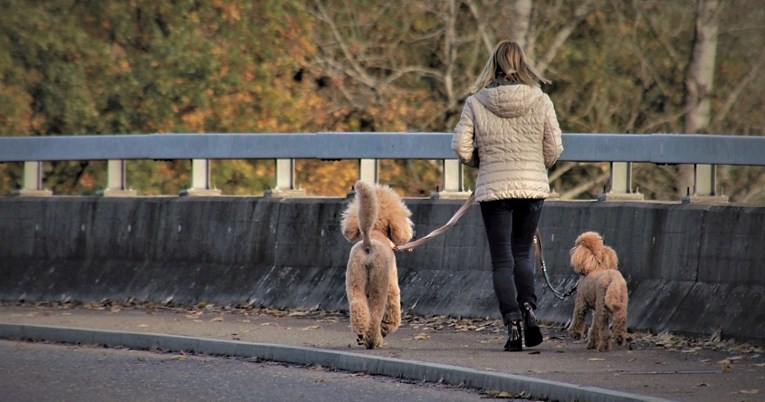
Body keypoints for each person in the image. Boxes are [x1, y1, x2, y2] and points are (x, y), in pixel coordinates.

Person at [452, 40, 563, 352]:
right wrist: (535, 164)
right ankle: (529, 310)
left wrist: (482, 161)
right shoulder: (540, 100)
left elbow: (460, 148)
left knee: (502, 260)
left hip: (494, 189)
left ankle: (512, 325)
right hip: (531, 188)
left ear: (494, 64)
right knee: (522, 254)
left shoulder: (476, 102)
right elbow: (554, 149)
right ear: (522, 64)